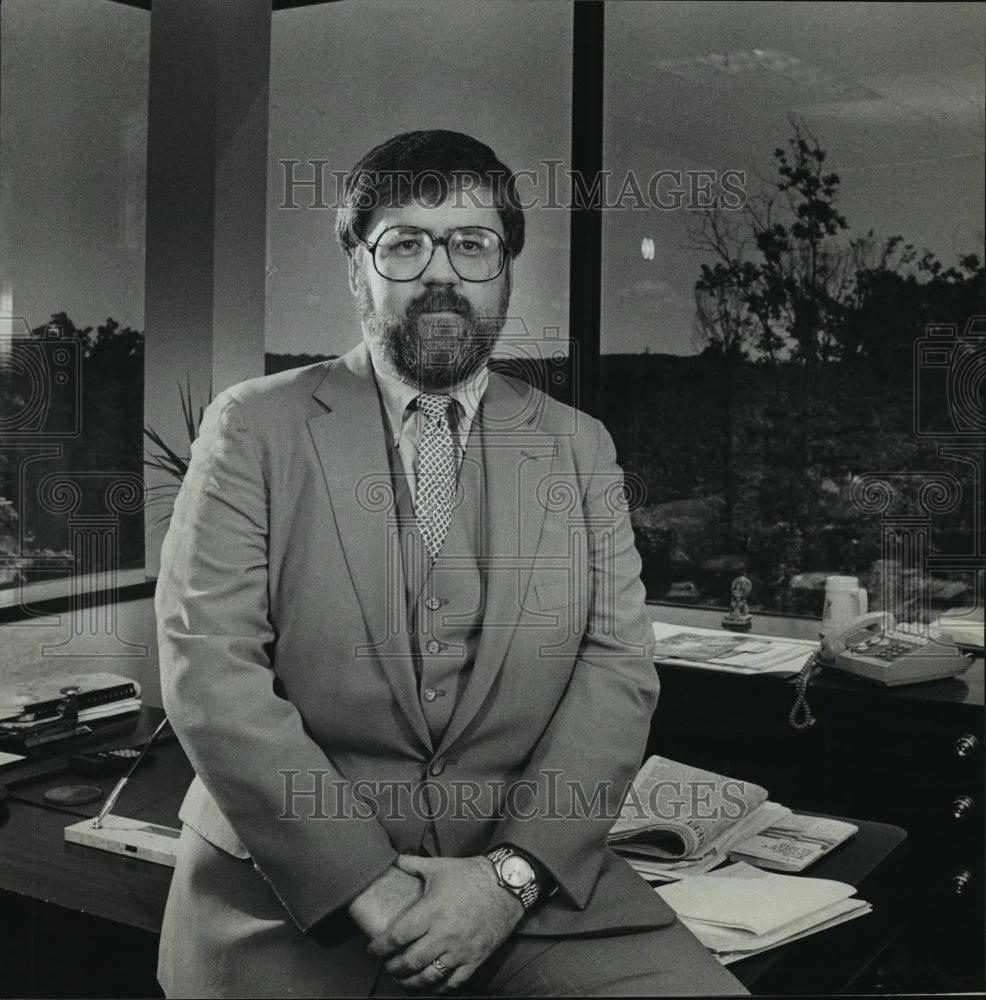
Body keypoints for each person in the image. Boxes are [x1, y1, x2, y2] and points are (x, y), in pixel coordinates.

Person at [155, 129, 745, 997]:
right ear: (358, 268)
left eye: (472, 244)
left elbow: (617, 668)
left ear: (506, 271)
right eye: (405, 244)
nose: (443, 272)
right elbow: (211, 670)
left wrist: (507, 882)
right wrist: (369, 884)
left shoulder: (579, 449)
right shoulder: (255, 426)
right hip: (287, 898)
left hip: (528, 889)